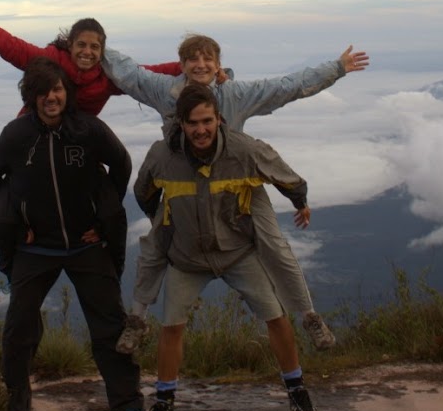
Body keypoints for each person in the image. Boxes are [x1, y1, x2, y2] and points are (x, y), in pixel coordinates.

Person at [106, 34, 369, 352]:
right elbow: (129, 72)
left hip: (238, 178)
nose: (200, 65)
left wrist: (336, 68)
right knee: (154, 248)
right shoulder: (166, 91)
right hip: (185, 180)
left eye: (207, 59)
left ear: (217, 65)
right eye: (193, 59)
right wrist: (87, 43)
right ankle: (137, 320)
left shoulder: (235, 95)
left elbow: (286, 87)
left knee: (274, 243)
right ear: (183, 64)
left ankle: (310, 316)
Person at [131, 83, 320, 411]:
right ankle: (164, 401)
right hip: (187, 258)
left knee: (276, 316)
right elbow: (144, 192)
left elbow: (285, 174)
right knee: (171, 326)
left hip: (236, 253)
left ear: (219, 119)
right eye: (192, 123)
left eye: (207, 121)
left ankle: (297, 391)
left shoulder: (243, 150)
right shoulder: (163, 156)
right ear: (181, 125)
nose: (201, 130)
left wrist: (300, 201)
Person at [0, 57, 145, 411]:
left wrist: (102, 217)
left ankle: (128, 405)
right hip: (36, 249)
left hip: (86, 245)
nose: (50, 97)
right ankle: (16, 409)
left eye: (56, 89)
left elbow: (120, 164)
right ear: (31, 96)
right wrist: (17, 220)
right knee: (19, 328)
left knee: (108, 325)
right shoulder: (17, 135)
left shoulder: (87, 130)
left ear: (66, 93)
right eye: (42, 91)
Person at [0, 0, 183, 116]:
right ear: (70, 44)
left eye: (94, 47)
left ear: (102, 51)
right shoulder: (48, 62)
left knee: (113, 162)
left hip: (76, 137)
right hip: (34, 127)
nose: (87, 52)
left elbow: (150, 74)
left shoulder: (109, 76)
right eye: (81, 45)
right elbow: (4, 43)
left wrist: (191, 68)